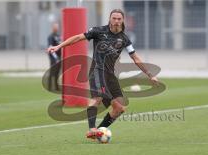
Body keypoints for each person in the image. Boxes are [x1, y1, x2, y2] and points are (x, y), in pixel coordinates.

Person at [47, 9, 159, 139]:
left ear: (123, 21)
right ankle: (91, 129)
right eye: (114, 18)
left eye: (119, 19)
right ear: (110, 19)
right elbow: (78, 37)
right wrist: (59, 46)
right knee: (97, 98)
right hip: (97, 71)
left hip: (110, 75)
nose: (116, 21)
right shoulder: (98, 31)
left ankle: (100, 131)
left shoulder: (124, 39)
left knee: (119, 109)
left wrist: (150, 74)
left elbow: (136, 58)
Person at [47, 23, 62, 91]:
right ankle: (49, 86)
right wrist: (55, 58)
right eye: (55, 27)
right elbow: (50, 47)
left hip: (59, 57)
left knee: (57, 73)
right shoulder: (51, 36)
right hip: (54, 57)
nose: (56, 28)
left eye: (57, 27)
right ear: (52, 28)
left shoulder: (58, 36)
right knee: (52, 72)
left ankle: (56, 87)